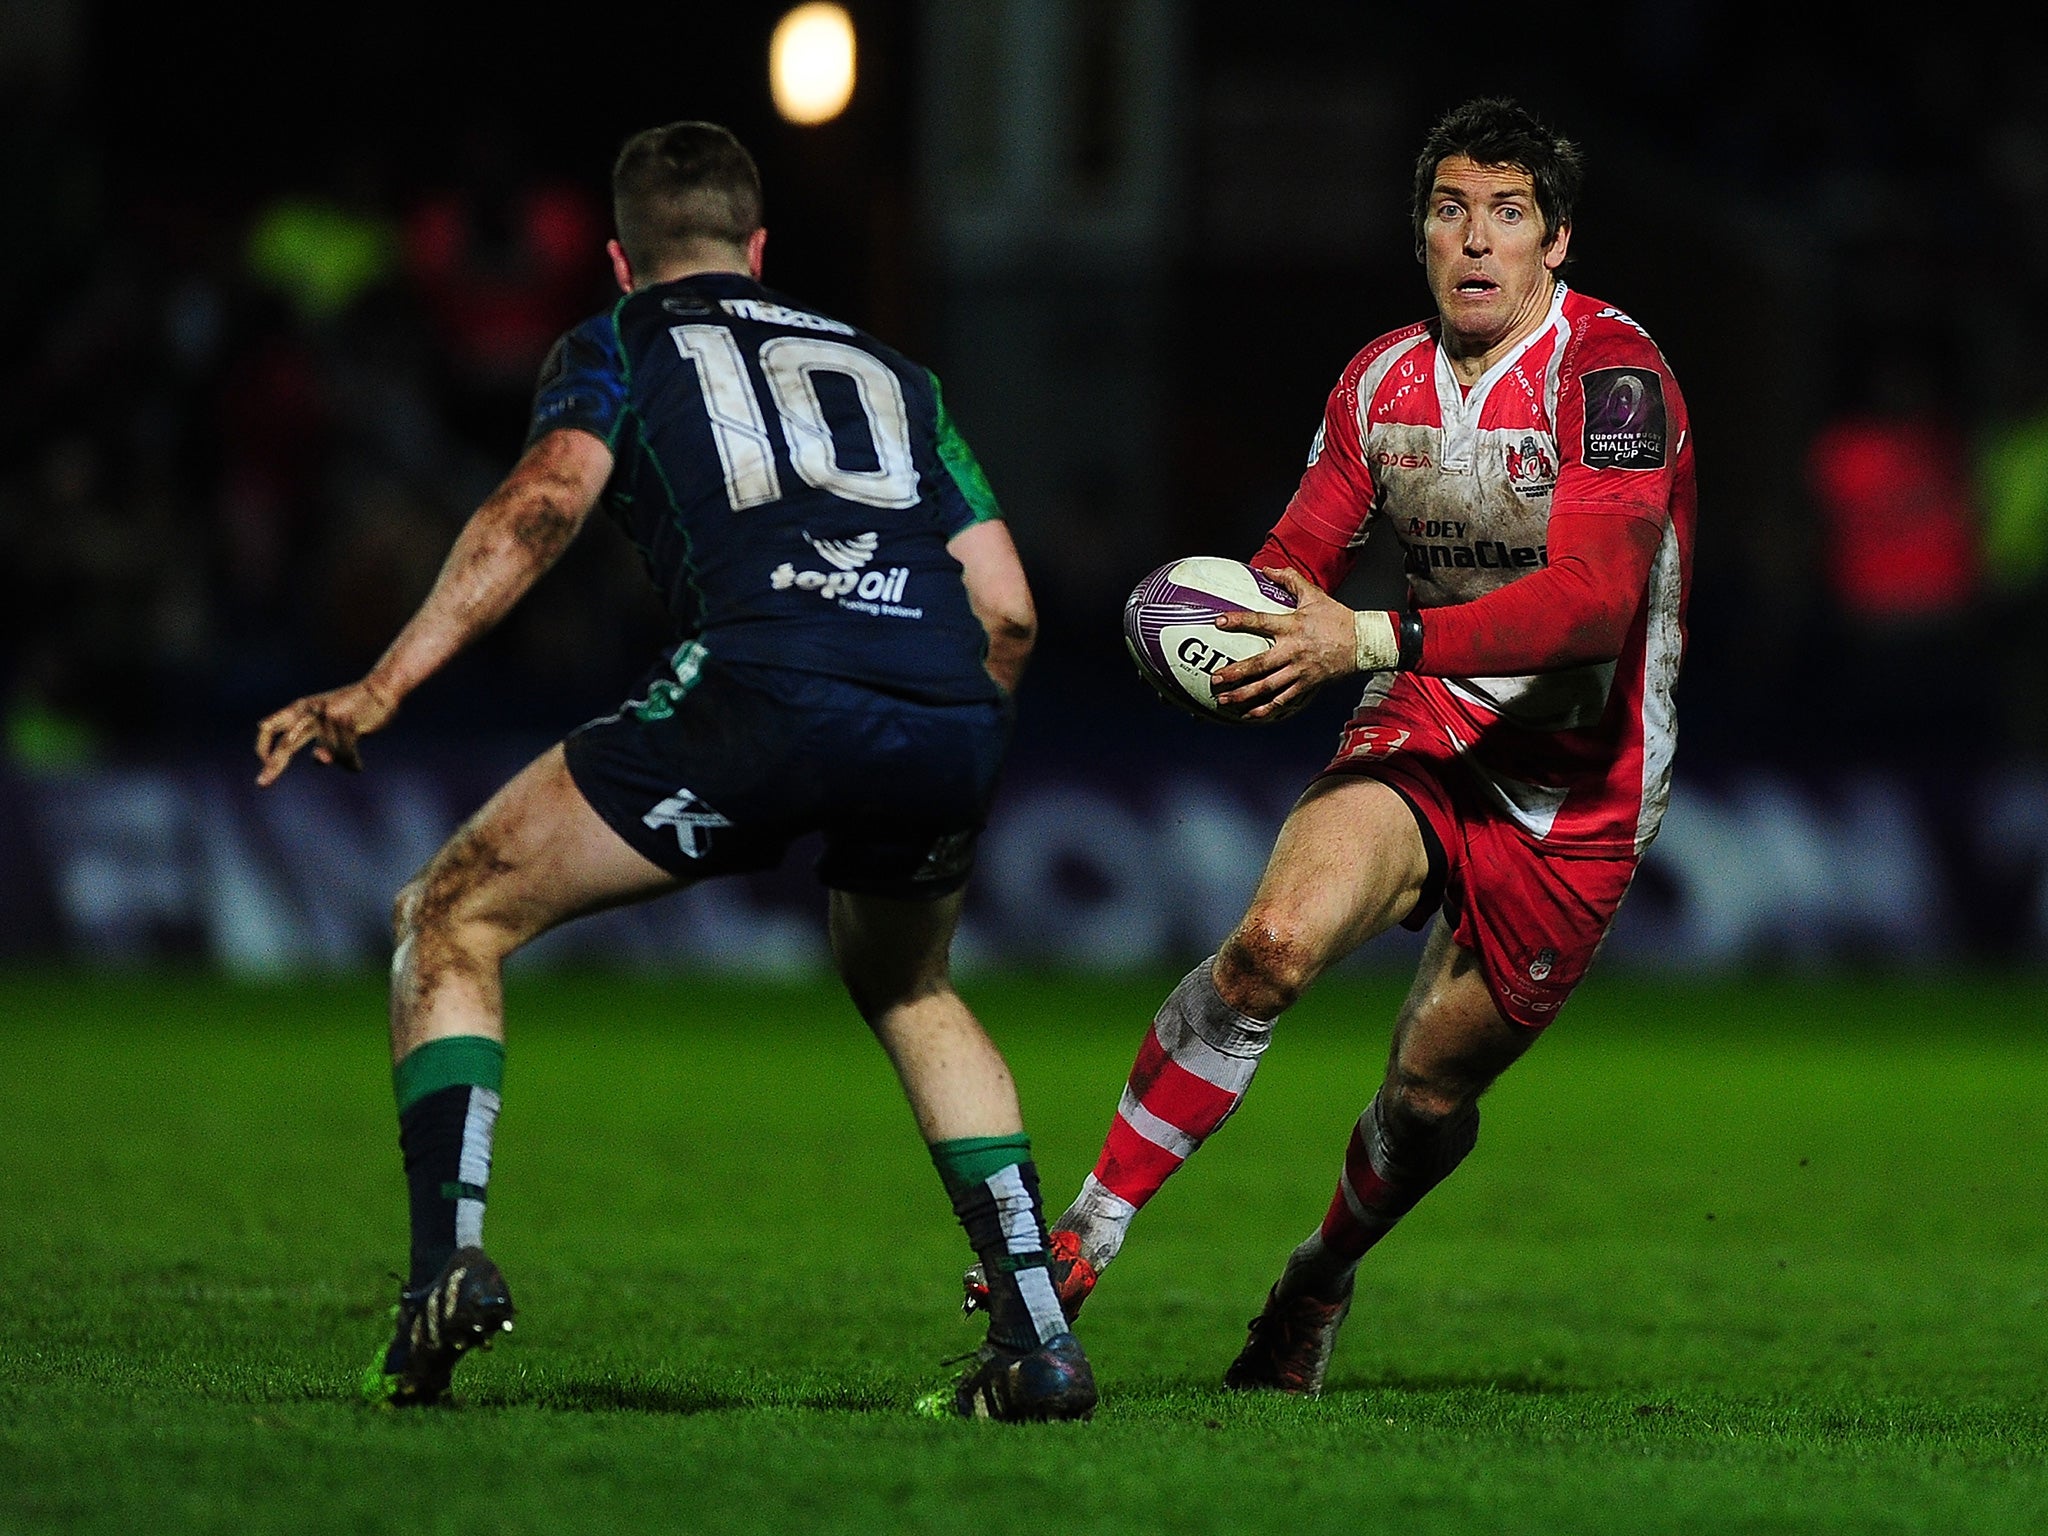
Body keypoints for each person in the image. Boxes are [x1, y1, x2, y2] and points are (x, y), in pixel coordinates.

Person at [255, 120, 1095, 1422]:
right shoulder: (896, 371)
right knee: (912, 983)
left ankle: (441, 1275)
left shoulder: (618, 342)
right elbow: (1013, 614)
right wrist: (937, 729)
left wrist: (382, 684)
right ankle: (1038, 1341)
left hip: (762, 689)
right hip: (941, 708)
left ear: (616, 257)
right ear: (759, 251)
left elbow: (541, 503)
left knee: (452, 911)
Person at [968, 96, 1695, 1394]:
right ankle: (1084, 1236)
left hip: (1582, 785)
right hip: (1430, 720)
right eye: (1450, 209)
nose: (1476, 240)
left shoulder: (1614, 374)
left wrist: (1361, 641)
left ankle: (1316, 1276)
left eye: (1509, 213)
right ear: (1420, 234)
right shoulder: (1380, 382)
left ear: (1558, 243)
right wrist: (1226, 634)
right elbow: (1294, 564)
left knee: (1422, 1100)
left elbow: (1594, 606)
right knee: (1270, 945)